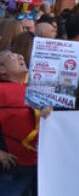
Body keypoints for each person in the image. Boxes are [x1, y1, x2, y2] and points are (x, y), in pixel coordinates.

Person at [0, 50, 36, 195]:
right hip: (10, 171)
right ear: (2, 70)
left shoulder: (36, 90)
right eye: (12, 57)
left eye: (19, 55)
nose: (21, 56)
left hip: (37, 168)